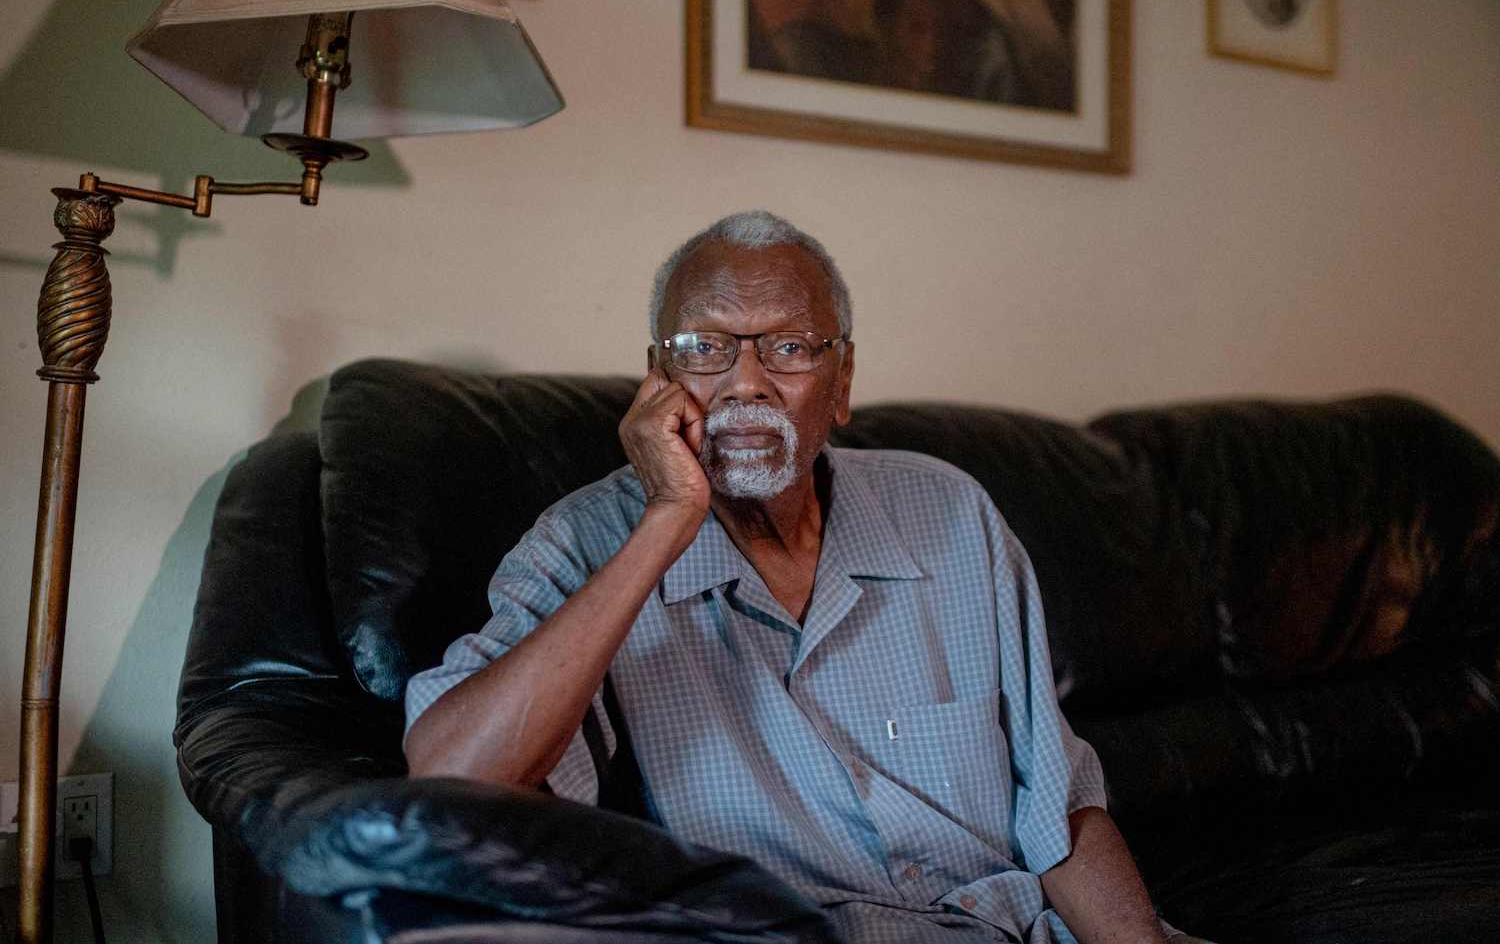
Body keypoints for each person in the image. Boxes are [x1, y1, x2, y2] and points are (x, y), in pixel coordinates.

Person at [405, 212, 1205, 943]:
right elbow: (451, 782)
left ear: (844, 381)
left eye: (789, 347)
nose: (746, 382)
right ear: (656, 379)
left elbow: (1058, 811)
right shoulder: (587, 542)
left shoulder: (953, 514)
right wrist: (666, 521)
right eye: (705, 348)